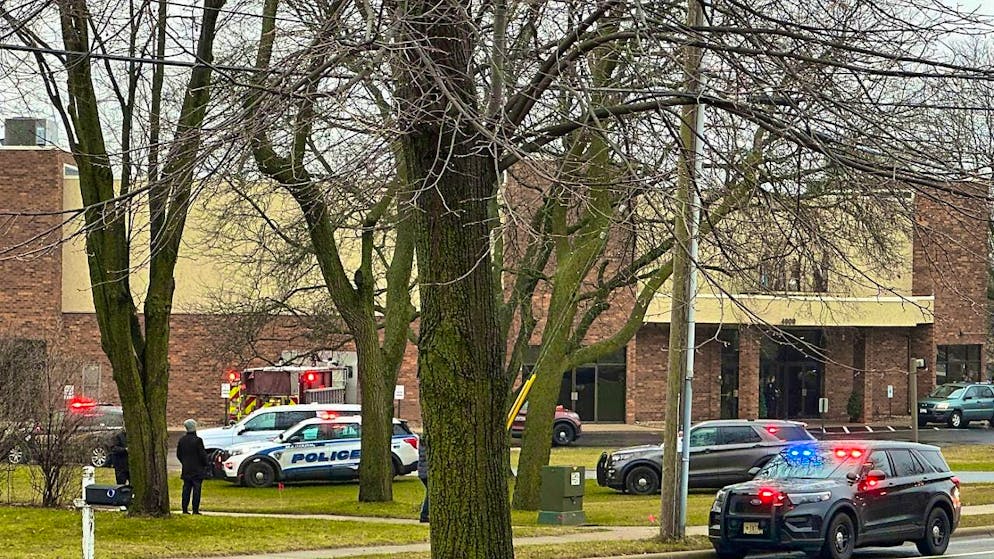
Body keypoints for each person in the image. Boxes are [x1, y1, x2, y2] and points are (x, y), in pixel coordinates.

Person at [176, 418, 209, 515]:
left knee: (186, 489)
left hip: (186, 469)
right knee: (196, 490)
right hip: (197, 469)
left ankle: (184, 509)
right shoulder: (198, 440)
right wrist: (206, 464)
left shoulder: (182, 440)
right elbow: (202, 454)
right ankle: (195, 509)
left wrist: (184, 462)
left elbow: (179, 454)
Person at [418, 433, 429, 523]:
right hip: (426, 471)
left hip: (422, 471)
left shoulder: (422, 439)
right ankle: (424, 514)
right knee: (430, 494)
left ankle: (425, 514)